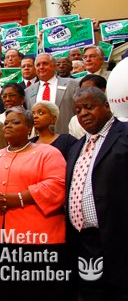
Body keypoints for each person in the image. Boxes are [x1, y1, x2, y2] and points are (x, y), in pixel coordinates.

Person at [0, 106, 68, 301]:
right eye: (6, 123)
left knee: (33, 292)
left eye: (16, 122)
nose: (8, 125)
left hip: (36, 238)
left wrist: (19, 198)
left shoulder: (48, 153)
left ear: (29, 128)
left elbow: (57, 185)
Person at [66, 87, 128, 300]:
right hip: (84, 241)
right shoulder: (77, 146)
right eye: (78, 109)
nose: (82, 113)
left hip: (118, 237)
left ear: (107, 106)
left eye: (89, 107)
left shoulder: (125, 134)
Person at [25, 53, 79, 134]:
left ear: (54, 66)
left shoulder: (72, 84)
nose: (41, 67)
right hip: (40, 140)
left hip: (67, 136)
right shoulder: (28, 91)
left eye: (45, 63)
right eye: (38, 65)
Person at [68, 74, 107, 139]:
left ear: (102, 90)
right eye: (78, 111)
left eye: (90, 108)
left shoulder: (117, 116)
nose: (84, 113)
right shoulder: (74, 122)